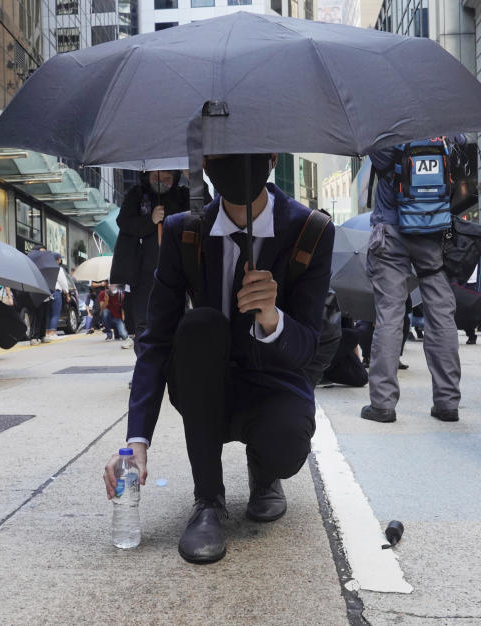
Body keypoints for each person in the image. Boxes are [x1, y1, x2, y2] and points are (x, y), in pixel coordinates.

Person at [103, 153, 333, 564]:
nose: (236, 162)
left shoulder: (309, 231)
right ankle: (207, 500)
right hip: (208, 384)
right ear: (204, 162)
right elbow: (155, 341)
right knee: (199, 325)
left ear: (272, 156)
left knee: (284, 445)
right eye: (222, 153)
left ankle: (264, 475)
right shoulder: (184, 231)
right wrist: (136, 441)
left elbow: (308, 347)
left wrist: (272, 317)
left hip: (274, 384)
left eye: (248, 149)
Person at [362, 138, 464, 424]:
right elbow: (459, 154)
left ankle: (382, 404)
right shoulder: (442, 123)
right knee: (441, 314)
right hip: (432, 231)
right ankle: (447, 402)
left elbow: (380, 161)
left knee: (390, 315)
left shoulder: (387, 127)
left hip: (390, 232)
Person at [110, 171, 189, 356]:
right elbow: (124, 221)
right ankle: (146, 372)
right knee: (144, 323)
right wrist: (150, 221)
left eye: (167, 178)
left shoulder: (183, 194)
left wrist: (194, 177)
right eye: (156, 177)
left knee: (176, 321)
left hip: (176, 271)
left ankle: (174, 369)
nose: (161, 182)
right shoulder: (136, 194)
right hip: (143, 273)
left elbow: (203, 210)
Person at [99, 283, 132, 349]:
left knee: (124, 335)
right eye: (110, 284)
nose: (112, 286)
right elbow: (102, 308)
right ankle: (109, 333)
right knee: (105, 311)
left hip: (117, 318)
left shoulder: (120, 294)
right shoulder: (103, 293)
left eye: (113, 284)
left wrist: (124, 322)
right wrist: (106, 300)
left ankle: (117, 332)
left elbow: (123, 309)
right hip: (107, 319)